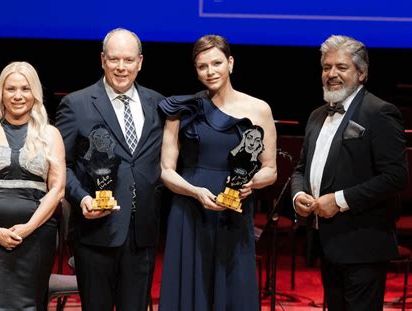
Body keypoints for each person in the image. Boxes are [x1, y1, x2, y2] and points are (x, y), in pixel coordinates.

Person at [158, 34, 277, 311]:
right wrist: (195, 191)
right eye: (202, 66)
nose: (210, 71)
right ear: (196, 71)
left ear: (230, 63)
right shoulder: (182, 108)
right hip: (190, 209)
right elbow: (166, 171)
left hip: (233, 211)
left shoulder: (259, 109)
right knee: (190, 289)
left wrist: (251, 183)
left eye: (217, 63)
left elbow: (270, 169)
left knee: (233, 288)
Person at [291, 35, 409, 311]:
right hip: (326, 242)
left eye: (341, 67)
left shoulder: (379, 112)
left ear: (362, 73)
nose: (331, 74)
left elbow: (395, 177)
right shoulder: (316, 115)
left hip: (363, 243)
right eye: (326, 67)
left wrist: (340, 200)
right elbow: (300, 168)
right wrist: (298, 195)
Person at [55, 28, 165, 311]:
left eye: (128, 60)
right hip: (95, 232)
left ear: (140, 62)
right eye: (114, 59)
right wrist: (81, 198)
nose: (121, 67)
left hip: (142, 232)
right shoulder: (76, 104)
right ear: (102, 59)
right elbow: (60, 165)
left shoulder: (158, 104)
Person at [0, 61, 66, 310]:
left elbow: (57, 190)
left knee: (29, 304)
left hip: (36, 237)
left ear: (35, 94)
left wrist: (29, 228)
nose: (18, 96)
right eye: (11, 89)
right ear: (1, 93)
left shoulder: (50, 134)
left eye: (25, 88)